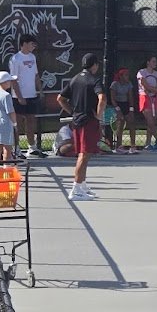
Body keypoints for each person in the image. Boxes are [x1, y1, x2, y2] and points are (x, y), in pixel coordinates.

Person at [57, 53, 105, 201]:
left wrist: (72, 111)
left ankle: (82, 185)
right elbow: (102, 98)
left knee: (85, 154)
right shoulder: (94, 80)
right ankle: (75, 189)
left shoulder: (75, 79)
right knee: (84, 155)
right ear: (94, 65)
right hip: (88, 122)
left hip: (77, 122)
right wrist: (98, 115)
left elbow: (60, 98)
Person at [8, 34, 46, 158]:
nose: (33, 47)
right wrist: (19, 97)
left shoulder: (32, 57)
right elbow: (13, 80)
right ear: (24, 44)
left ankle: (32, 147)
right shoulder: (15, 59)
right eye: (31, 44)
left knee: (31, 120)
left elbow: (35, 75)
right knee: (17, 123)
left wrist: (40, 90)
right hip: (18, 96)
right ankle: (16, 149)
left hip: (31, 95)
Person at [0, 71, 18, 162]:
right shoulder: (6, 95)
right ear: (5, 82)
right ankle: (6, 167)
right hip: (5, 126)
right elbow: (10, 112)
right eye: (9, 81)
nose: (10, 82)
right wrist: (15, 123)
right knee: (7, 149)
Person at [137, 55, 157, 150]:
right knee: (150, 121)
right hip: (145, 98)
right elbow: (145, 86)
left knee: (152, 122)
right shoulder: (141, 72)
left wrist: (154, 91)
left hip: (155, 99)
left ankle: (147, 144)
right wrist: (155, 90)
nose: (155, 63)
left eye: (155, 61)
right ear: (148, 62)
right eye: (153, 61)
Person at [110, 68, 139, 154]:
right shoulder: (114, 84)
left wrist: (131, 110)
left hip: (126, 105)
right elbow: (113, 99)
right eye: (126, 75)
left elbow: (130, 97)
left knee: (131, 123)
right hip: (117, 105)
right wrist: (118, 110)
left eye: (128, 75)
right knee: (120, 123)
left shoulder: (129, 84)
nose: (128, 77)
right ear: (121, 76)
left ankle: (133, 146)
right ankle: (119, 146)